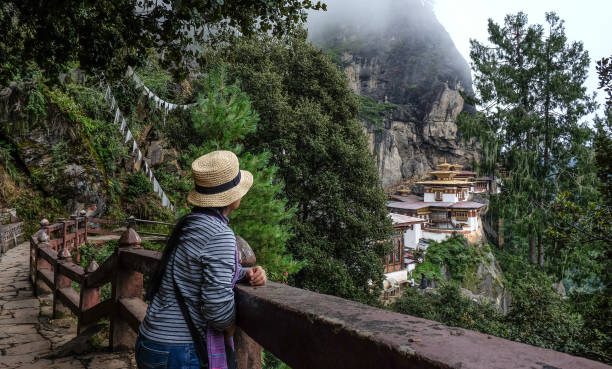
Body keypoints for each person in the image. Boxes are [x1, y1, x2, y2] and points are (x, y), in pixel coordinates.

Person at [136, 150, 267, 369]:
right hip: (178, 351)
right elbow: (217, 311)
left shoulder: (190, 225)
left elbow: (191, 271)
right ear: (231, 196)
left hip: (150, 340)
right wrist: (232, 325)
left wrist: (246, 275)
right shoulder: (219, 234)